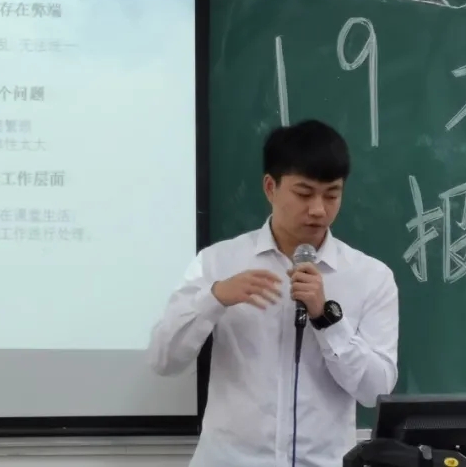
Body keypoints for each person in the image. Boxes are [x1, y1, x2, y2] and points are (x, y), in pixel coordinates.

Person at [148, 119, 399, 467]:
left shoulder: (371, 277)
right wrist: (214, 298)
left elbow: (376, 391)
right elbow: (163, 359)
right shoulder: (218, 262)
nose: (318, 210)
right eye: (304, 193)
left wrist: (326, 319)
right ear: (270, 187)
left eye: (332, 195)